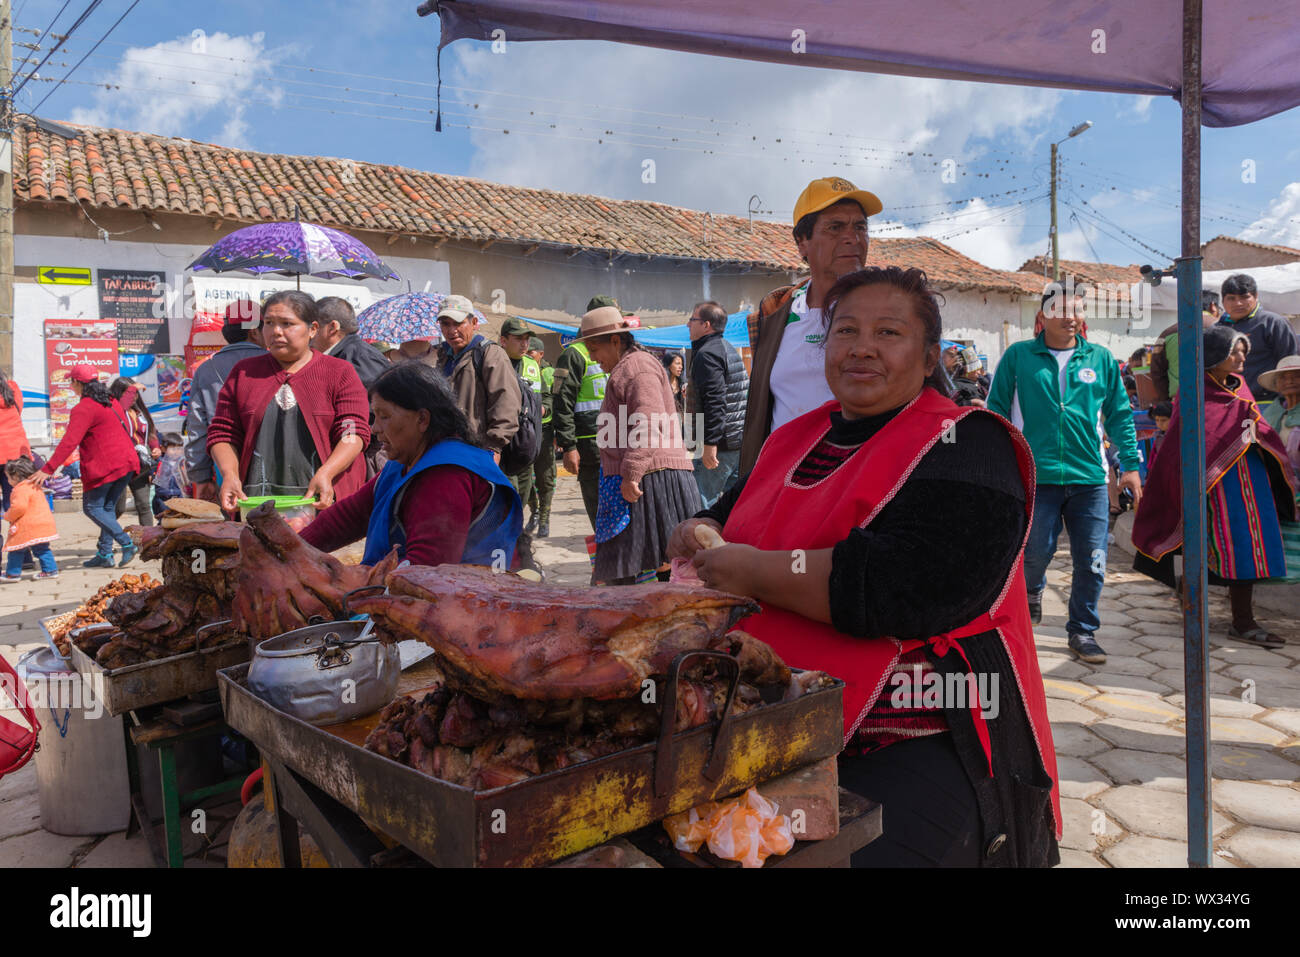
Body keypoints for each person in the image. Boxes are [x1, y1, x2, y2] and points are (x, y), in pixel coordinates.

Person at [668, 266, 1059, 867]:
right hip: (761, 717)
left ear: (930, 358)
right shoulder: (792, 438)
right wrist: (700, 535)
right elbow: (718, 514)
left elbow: (909, 586)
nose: (863, 348)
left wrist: (748, 572)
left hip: (916, 728)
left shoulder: (971, 445)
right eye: (845, 331)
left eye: (889, 333)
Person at [987, 283, 1142, 665]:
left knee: (1093, 558)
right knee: (1035, 553)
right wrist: (997, 466)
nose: (1069, 316)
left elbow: (1120, 415)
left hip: (1088, 478)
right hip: (1035, 478)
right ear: (1042, 317)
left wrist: (1131, 467)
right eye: (1059, 309)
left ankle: (1083, 630)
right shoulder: (1019, 356)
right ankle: (1033, 592)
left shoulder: (1101, 359)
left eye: (1076, 309)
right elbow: (997, 411)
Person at [1133, 327, 1297, 646]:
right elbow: (1189, 439)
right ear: (1213, 356)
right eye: (1234, 352)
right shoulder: (1195, 392)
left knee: (1249, 547)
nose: (1241, 358)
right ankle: (1204, 612)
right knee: (1207, 544)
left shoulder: (1241, 389)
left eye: (1243, 352)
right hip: (1212, 484)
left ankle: (1242, 620)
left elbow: (1256, 428)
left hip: (1250, 478)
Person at [300, 363, 521, 567]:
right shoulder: (404, 462)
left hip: (467, 602)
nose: (374, 428)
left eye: (384, 416)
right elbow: (349, 517)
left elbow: (428, 569)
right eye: (374, 416)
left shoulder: (446, 475)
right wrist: (290, 549)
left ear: (422, 419)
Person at [740, 177, 882, 477]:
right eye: (835, 227)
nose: (852, 238)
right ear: (802, 242)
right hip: (782, 482)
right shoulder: (774, 314)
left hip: (861, 482)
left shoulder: (890, 312)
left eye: (860, 227)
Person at [209, 291, 370, 514]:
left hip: (323, 500)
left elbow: (352, 430)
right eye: (269, 323)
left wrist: (327, 473)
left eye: (287, 323)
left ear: (312, 329)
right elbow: (223, 432)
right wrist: (229, 474)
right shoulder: (244, 373)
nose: (276, 331)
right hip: (257, 504)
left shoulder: (339, 372)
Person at [579, 306, 700, 585]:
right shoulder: (629, 367)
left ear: (615, 340)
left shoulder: (636, 367)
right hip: (647, 475)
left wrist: (631, 473)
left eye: (594, 350)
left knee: (636, 570)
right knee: (656, 564)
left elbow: (648, 421)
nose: (593, 358)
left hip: (652, 477)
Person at [28, 365, 141, 567]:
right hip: (126, 462)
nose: (71, 386)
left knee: (92, 508)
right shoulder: (111, 401)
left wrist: (47, 469)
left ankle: (126, 543)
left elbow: (69, 442)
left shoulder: (84, 408)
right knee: (106, 509)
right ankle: (105, 554)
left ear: (78, 383)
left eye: (72, 382)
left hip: (106, 465)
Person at [186, 299, 266, 502]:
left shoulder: (205, 369)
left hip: (224, 469)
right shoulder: (277, 362)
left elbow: (197, 428)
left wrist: (201, 476)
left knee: (233, 529)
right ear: (254, 331)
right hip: (273, 463)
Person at [434, 295, 521, 464]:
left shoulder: (490, 354)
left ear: (474, 323)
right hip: (445, 449)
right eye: (445, 324)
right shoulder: (441, 356)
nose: (452, 331)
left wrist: (494, 447)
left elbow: (506, 403)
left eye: (458, 323)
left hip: (479, 450)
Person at [553, 295, 614, 527]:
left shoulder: (617, 351)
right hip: (590, 449)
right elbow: (562, 402)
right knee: (600, 516)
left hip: (618, 444)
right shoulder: (574, 354)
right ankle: (604, 561)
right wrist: (569, 446)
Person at [313, 296, 391, 477]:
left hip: (371, 453)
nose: (310, 333)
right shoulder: (343, 354)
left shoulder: (358, 357)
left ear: (332, 327)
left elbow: (373, 409)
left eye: (315, 326)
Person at [688, 300, 749, 508]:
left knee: (701, 501)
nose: (688, 324)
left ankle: (705, 539)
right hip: (736, 440)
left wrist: (710, 445)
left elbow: (715, 401)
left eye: (692, 319)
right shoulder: (726, 348)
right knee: (736, 504)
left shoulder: (708, 354)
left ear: (706, 325)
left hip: (721, 443)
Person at [1217, 273, 1300, 402]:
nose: (1238, 303)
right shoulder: (1217, 329)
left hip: (1267, 403)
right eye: (1231, 298)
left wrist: (1285, 402)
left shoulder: (1272, 323)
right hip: (1229, 402)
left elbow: (1289, 363)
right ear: (1223, 301)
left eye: (1244, 297)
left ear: (1256, 296)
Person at [497, 316, 541, 532]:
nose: (524, 344)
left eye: (527, 339)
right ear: (503, 341)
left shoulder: (532, 365)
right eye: (518, 339)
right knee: (507, 500)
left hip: (527, 446)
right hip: (504, 448)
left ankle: (517, 542)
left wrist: (546, 408)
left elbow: (545, 396)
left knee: (522, 498)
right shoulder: (494, 363)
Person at [1149, 289, 1220, 402]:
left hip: (1180, 400)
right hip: (1218, 398)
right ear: (1213, 306)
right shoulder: (1225, 329)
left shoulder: (1166, 334)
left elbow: (1157, 372)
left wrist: (1166, 400)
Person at [110, 377, 161, 527]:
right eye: (129, 393)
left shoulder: (140, 413)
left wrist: (155, 447)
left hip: (141, 466)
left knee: (144, 505)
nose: (134, 397)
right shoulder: (114, 411)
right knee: (118, 509)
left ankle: (148, 543)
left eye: (136, 393)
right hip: (120, 466)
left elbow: (151, 433)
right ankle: (105, 543)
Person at [312, 297, 391, 390]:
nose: (308, 333)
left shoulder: (359, 359)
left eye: (313, 327)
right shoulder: (346, 353)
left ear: (332, 328)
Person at [1, 458, 58, 582]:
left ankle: (12, 573)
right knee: (42, 549)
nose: (8, 481)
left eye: (8, 478)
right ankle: (50, 570)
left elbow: (19, 507)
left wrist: (8, 516)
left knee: (16, 550)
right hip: (42, 522)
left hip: (28, 526)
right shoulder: (34, 485)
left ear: (16, 477)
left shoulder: (20, 489)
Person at [526, 336, 557, 537]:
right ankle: (534, 512)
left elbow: (556, 401)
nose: (528, 356)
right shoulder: (519, 367)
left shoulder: (548, 373)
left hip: (545, 432)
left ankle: (544, 518)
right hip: (526, 433)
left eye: (531, 353)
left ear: (540, 354)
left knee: (546, 478)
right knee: (526, 478)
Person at [1260, 356, 1300, 474]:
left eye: (1296, 376)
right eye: (1283, 378)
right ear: (1276, 385)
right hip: (1277, 481)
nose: (1289, 381)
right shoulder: (1269, 413)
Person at [0, 376, 31, 513]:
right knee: (15, 499)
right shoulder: (12, 388)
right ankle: (19, 533)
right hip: (16, 453)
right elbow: (19, 409)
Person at [152, 431, 189, 513]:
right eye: (172, 448)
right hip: (164, 501)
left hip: (181, 499)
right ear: (163, 449)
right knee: (165, 520)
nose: (176, 451)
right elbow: (159, 487)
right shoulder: (160, 464)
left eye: (179, 448)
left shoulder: (183, 464)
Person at [662, 351, 686, 418]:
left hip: (681, 421)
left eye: (682, 364)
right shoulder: (662, 384)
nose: (681, 367)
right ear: (669, 365)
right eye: (678, 363)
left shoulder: (683, 384)